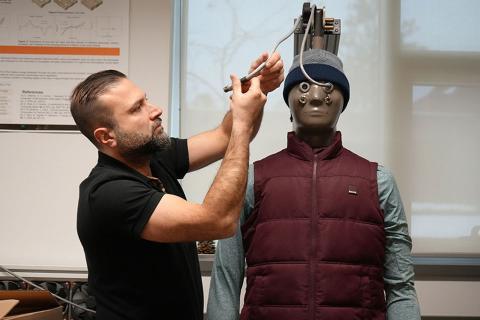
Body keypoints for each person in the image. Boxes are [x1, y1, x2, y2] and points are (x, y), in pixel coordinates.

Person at [207, 49, 421, 320]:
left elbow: (400, 285)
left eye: (329, 87)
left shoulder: (379, 181)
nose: (317, 96)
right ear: (289, 100)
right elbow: (225, 279)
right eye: (304, 86)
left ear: (344, 100)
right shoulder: (252, 179)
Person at [70, 52, 284, 320]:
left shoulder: (153, 155)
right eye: (137, 108)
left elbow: (225, 136)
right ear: (106, 136)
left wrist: (257, 88)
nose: (155, 109)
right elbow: (218, 220)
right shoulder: (108, 193)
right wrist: (241, 121)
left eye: (145, 99)